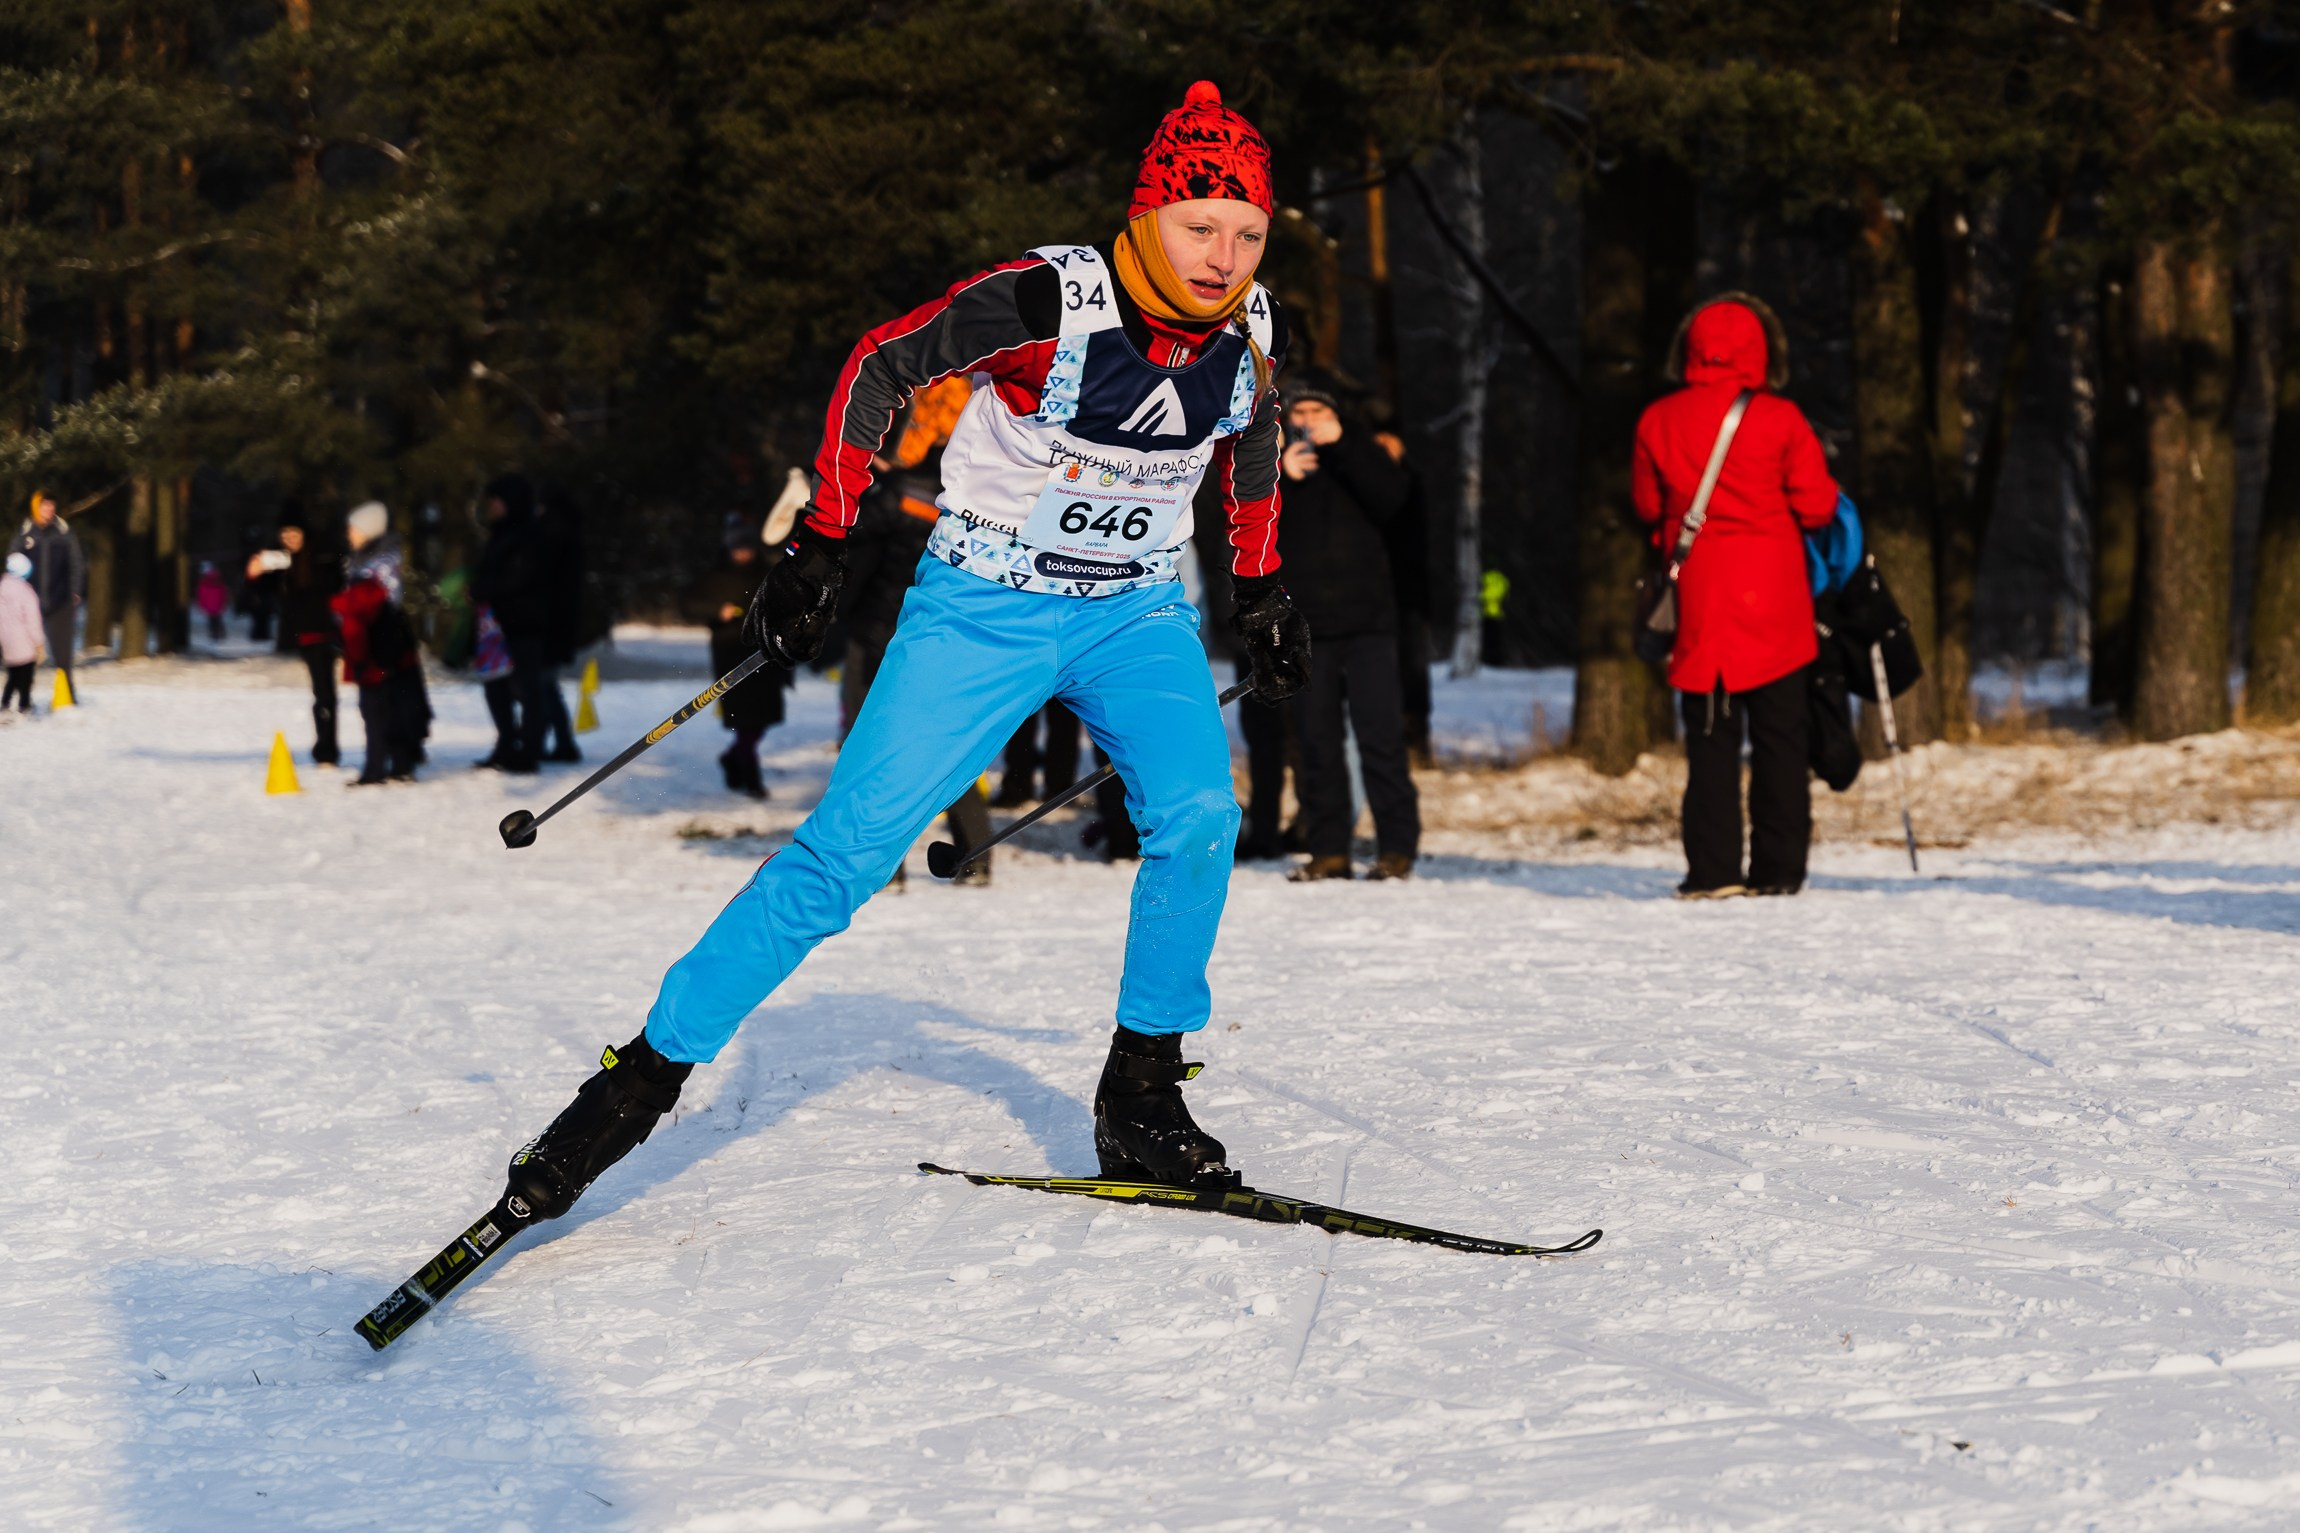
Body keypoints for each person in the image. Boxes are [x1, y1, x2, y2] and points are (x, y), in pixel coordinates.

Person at [491, 81, 1310, 1233]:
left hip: (1137, 618)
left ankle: (1140, 1091)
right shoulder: (1045, 301)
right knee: (843, 857)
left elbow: (1251, 451)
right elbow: (881, 363)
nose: (1223, 256)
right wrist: (823, 538)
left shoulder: (1255, 332)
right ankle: (627, 1092)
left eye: (1246, 232)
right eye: (1199, 226)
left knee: (1199, 816)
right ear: (1145, 216)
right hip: (983, 611)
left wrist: (1263, 588)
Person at [1632, 294, 1839, 899]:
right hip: (1775, 599)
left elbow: (1647, 505)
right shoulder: (1782, 419)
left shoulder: (1657, 420)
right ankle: (1778, 871)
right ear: (1761, 352)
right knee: (1780, 740)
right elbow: (1817, 505)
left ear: (1691, 350)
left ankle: (1713, 869)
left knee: (1711, 741)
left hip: (1702, 600)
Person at [836, 374, 997, 884]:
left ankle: (879, 862)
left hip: (882, 634)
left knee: (873, 748)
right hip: (955, 639)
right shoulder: (988, 500)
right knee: (949, 744)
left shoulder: (899, 493)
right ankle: (977, 853)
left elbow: (859, 559)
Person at [1275, 386, 1420, 881]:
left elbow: (1394, 501)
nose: (1310, 421)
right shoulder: (1273, 457)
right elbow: (1246, 527)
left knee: (1381, 739)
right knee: (1316, 743)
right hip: (1308, 625)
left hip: (1370, 622)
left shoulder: (1365, 451)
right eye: (1301, 412)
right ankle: (1328, 849)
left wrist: (1344, 447)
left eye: (1319, 412)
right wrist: (1279, 475)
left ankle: (1397, 849)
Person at [690, 516, 789, 798]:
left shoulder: (767, 573)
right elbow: (690, 603)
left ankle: (734, 758)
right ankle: (750, 775)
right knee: (744, 721)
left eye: (746, 547)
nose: (741, 553)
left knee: (761, 721)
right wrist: (716, 611)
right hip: (729, 656)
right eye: (737, 548)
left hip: (764, 657)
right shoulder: (715, 576)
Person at [331, 502, 426, 785]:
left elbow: (366, 605)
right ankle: (397, 762)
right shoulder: (368, 560)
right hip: (380, 646)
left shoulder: (377, 564)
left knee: (378, 708)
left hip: (378, 648)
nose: (349, 533)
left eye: (353, 528)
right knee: (387, 706)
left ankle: (380, 766)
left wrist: (338, 606)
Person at [248, 505, 343, 764]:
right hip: (305, 636)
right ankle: (325, 748)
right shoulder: (284, 561)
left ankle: (327, 751)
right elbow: (264, 592)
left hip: (325, 633)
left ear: (304, 532)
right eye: (284, 533)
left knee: (324, 695)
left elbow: (331, 583)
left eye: (294, 532)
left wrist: (299, 562)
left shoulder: (321, 553)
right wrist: (256, 573)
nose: (289, 537)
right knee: (322, 694)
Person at [471, 475, 551, 773]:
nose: (492, 506)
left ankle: (528, 749)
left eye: (497, 500)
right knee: (496, 687)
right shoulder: (500, 533)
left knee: (528, 690)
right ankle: (506, 742)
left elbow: (520, 578)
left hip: (523, 623)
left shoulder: (528, 534)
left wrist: (482, 590)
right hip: (497, 626)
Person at [1372, 428, 1434, 766]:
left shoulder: (1409, 485)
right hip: (1384, 596)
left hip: (1408, 597)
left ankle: (1417, 742)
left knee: (1412, 671)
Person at [13, 490, 84, 697]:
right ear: (36, 507)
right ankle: (21, 698)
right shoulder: (25, 532)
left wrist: (75, 591)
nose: (49, 510)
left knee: (63, 653)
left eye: (52, 506)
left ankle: (66, 696)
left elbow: (76, 563)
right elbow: (13, 562)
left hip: (60, 601)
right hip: (29, 603)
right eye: (45, 506)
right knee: (24, 653)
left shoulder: (63, 532)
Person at [535, 483, 586, 763]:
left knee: (544, 685)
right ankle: (555, 740)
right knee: (546, 685)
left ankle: (555, 741)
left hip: (550, 624)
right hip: (558, 623)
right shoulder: (567, 534)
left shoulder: (552, 535)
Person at [1, 551, 43, 713]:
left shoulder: (2, 589)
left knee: (12, 676)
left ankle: (5, 702)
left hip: (7, 643)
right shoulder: (26, 592)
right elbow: (33, 620)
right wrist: (38, 642)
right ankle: (24, 705)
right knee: (26, 677)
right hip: (24, 642)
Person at [194, 561, 231, 644]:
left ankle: (215, 634)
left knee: (212, 620)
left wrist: (202, 604)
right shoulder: (219, 579)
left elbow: (201, 594)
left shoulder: (204, 582)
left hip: (210, 604)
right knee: (217, 619)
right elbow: (224, 592)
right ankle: (219, 633)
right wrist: (224, 601)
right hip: (217, 603)